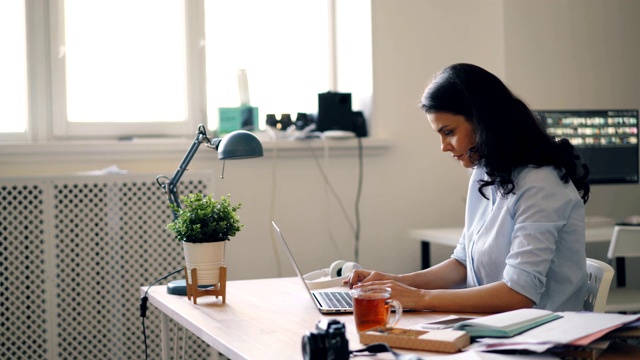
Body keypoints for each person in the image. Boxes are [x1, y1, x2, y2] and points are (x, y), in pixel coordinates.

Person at [346, 63, 591, 312]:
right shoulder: (484, 172)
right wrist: (395, 283)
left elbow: (519, 294)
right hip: (495, 328)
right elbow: (463, 264)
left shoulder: (540, 184)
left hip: (542, 339)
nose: (444, 146)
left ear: (483, 121)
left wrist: (418, 298)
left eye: (449, 132)